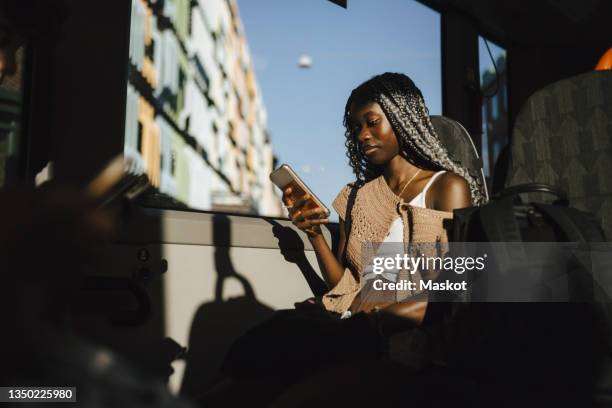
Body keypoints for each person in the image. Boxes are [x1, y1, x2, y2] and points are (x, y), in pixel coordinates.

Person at [199, 72, 487, 407]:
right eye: (355, 127)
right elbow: (345, 286)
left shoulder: (446, 187)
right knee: (242, 378)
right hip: (351, 324)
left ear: (402, 119)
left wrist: (376, 320)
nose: (362, 135)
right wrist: (314, 236)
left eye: (372, 122)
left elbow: (453, 289)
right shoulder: (356, 197)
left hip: (405, 338)